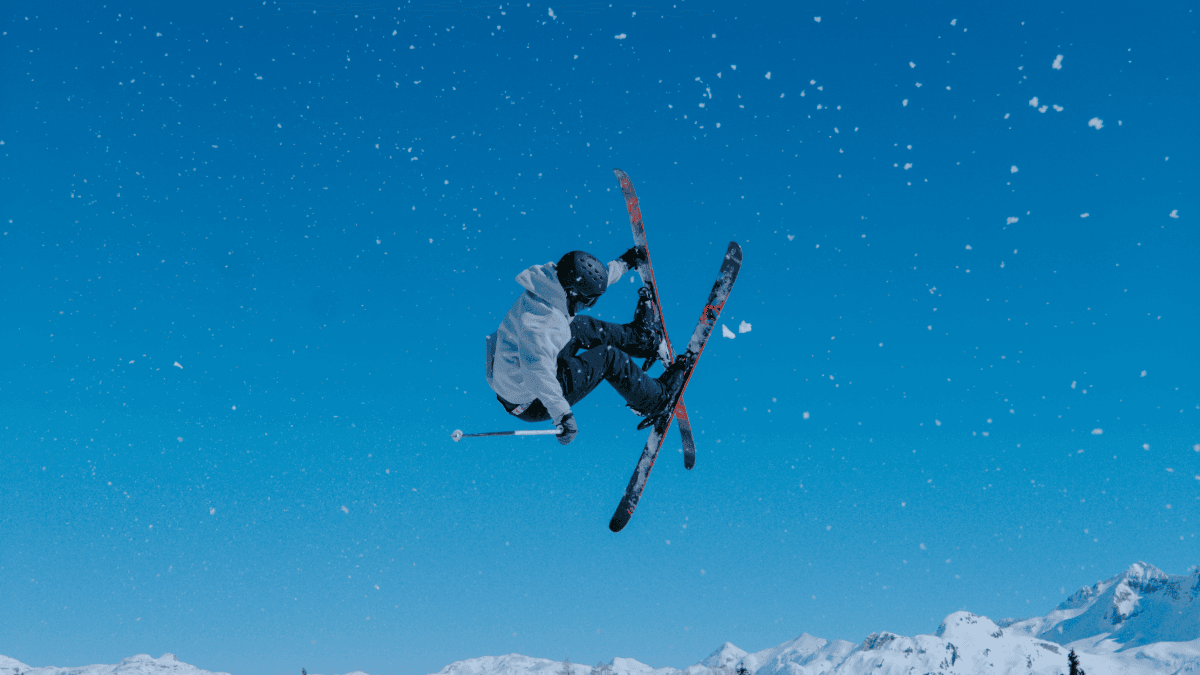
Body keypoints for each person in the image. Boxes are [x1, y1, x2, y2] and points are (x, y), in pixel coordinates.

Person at [485, 248, 690, 445]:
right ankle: (656, 401)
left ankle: (642, 339)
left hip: (520, 377)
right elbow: (537, 371)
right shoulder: (541, 325)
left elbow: (590, 280)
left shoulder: (552, 284)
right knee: (608, 357)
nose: (588, 305)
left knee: (578, 326)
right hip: (533, 401)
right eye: (587, 302)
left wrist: (625, 262)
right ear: (573, 294)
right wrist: (562, 415)